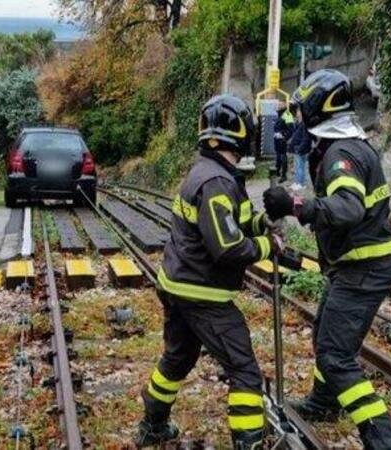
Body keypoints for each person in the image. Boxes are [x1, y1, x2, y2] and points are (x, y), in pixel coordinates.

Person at [262, 69, 391, 450]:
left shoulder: (341, 154)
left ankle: (383, 440)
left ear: (315, 112)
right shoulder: (345, 145)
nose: (296, 122)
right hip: (356, 265)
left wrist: (294, 205)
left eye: (299, 113)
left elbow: (346, 208)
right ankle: (324, 403)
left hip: (364, 269)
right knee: (325, 330)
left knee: (336, 355)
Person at [135, 94, 274, 449]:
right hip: (203, 294)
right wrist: (268, 248)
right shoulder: (217, 183)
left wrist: (261, 223)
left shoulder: (208, 172)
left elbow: (228, 224)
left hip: (179, 284)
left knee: (177, 359)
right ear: (243, 133)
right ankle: (249, 442)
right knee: (245, 371)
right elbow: (227, 247)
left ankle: (152, 425)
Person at [288, 107, 312, 191]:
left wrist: (299, 148)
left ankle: (301, 183)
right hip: (296, 148)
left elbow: (306, 138)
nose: (297, 113)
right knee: (297, 166)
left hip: (301, 149)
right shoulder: (298, 123)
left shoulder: (304, 124)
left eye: (298, 112)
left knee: (300, 167)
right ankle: (297, 182)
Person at [273, 103, 296, 182]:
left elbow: (291, 129)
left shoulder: (287, 114)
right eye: (278, 104)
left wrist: (284, 137)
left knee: (283, 157)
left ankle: (284, 175)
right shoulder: (280, 114)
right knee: (278, 156)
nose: (278, 106)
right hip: (277, 139)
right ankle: (277, 172)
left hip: (282, 139)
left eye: (280, 104)